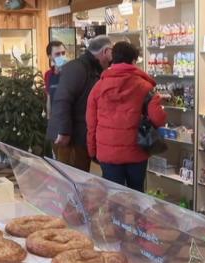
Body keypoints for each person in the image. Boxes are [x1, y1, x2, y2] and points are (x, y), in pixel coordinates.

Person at [86, 41, 167, 192]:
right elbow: (159, 118)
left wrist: (92, 150)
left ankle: (115, 217)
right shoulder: (145, 87)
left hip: (107, 152)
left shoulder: (98, 87)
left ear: (113, 59)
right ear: (134, 61)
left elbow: (91, 123)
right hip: (136, 151)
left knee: (113, 197)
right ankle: (136, 217)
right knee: (136, 197)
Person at [48, 35, 113, 172]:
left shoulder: (91, 69)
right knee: (72, 180)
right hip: (70, 138)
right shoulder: (78, 68)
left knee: (78, 178)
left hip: (80, 136)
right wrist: (64, 131)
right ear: (106, 51)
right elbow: (62, 100)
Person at [44, 41, 67, 116]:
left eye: (63, 53)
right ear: (50, 56)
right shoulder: (48, 75)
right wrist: (48, 118)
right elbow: (49, 98)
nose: (61, 56)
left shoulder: (71, 72)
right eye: (57, 54)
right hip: (55, 118)